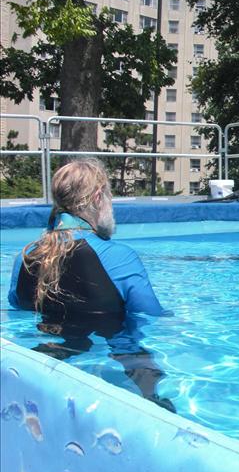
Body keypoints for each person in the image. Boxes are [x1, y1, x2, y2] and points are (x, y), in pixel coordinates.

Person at [7, 159, 174, 411]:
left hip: (49, 357)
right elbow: (151, 316)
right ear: (97, 198)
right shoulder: (120, 257)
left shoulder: (25, 257)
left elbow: (19, 310)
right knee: (148, 378)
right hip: (116, 351)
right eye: (109, 198)